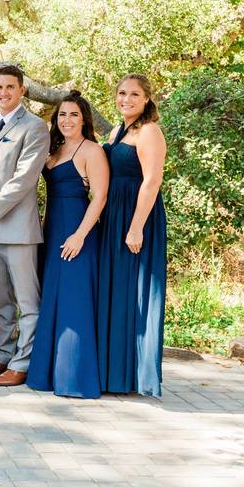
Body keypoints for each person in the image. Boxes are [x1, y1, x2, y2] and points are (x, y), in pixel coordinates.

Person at [27, 92, 109, 399]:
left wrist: (79, 235)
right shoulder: (55, 149)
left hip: (79, 233)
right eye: (62, 115)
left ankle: (74, 379)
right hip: (54, 229)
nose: (67, 120)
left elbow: (99, 197)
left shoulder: (92, 151)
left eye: (74, 115)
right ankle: (47, 374)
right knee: (53, 300)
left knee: (75, 303)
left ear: (84, 119)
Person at [0, 65, 49, 387]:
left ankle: (22, 363)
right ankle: (0, 357)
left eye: (9, 87)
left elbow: (24, 180)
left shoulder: (35, 127)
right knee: (1, 302)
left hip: (17, 230)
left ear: (22, 91)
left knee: (27, 303)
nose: (2, 93)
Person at [97, 74, 167, 397]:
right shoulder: (118, 129)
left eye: (134, 95)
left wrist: (137, 225)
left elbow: (152, 181)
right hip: (114, 215)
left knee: (135, 291)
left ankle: (135, 374)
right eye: (122, 93)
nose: (126, 99)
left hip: (136, 217)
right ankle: (115, 372)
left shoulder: (150, 131)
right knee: (117, 290)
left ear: (146, 99)